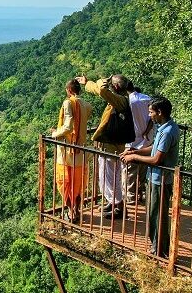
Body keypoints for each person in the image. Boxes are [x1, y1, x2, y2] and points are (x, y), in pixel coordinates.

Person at [121, 96, 179, 258]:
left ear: (159, 112)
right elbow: (154, 149)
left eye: (151, 112)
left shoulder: (167, 132)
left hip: (160, 179)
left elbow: (156, 159)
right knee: (153, 214)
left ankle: (160, 250)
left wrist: (134, 158)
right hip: (155, 177)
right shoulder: (166, 127)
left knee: (157, 215)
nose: (149, 116)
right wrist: (135, 151)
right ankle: (158, 247)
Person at [75, 74, 132, 218]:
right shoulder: (119, 98)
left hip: (112, 144)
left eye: (111, 84)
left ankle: (120, 208)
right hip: (112, 142)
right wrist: (87, 83)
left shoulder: (121, 101)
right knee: (109, 175)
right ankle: (112, 202)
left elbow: (101, 91)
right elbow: (98, 90)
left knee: (110, 176)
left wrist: (103, 80)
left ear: (116, 87)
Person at [50, 79, 93, 223]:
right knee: (78, 183)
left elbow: (68, 126)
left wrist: (55, 133)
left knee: (65, 182)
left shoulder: (68, 102)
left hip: (67, 150)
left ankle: (70, 211)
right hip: (80, 149)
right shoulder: (86, 105)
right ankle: (77, 210)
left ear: (69, 90)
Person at [122, 81, 153, 207]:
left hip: (132, 142)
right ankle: (139, 195)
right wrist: (146, 131)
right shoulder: (147, 98)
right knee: (142, 171)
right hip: (147, 141)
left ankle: (130, 200)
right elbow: (152, 118)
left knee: (129, 173)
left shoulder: (128, 102)